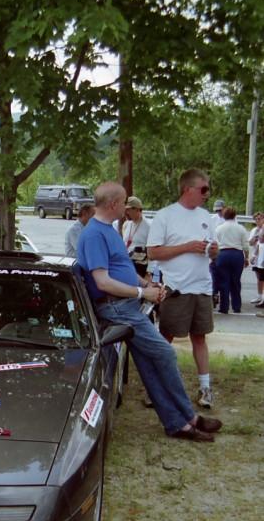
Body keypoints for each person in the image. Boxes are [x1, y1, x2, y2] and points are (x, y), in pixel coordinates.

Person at [77, 181, 222, 442]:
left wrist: (146, 283)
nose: (127, 208)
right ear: (113, 204)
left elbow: (122, 267)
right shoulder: (94, 235)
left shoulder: (109, 230)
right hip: (116, 308)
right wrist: (144, 294)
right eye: (124, 203)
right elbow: (102, 282)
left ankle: (176, 423)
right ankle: (189, 418)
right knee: (164, 354)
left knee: (148, 363)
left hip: (125, 304)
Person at [147, 168, 218, 409]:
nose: (206, 194)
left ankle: (205, 388)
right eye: (203, 188)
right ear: (188, 189)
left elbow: (212, 251)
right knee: (165, 339)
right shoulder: (165, 216)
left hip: (203, 288)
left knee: (200, 337)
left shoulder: (207, 217)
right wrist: (186, 247)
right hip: (176, 287)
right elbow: (153, 252)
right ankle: (157, 388)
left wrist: (213, 251)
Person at [214, 207, 249, 314]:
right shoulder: (241, 228)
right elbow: (245, 246)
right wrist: (246, 257)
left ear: (224, 216)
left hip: (223, 254)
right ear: (235, 215)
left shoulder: (219, 228)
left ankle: (224, 307)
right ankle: (236, 306)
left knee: (224, 281)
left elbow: (215, 244)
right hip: (237, 254)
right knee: (236, 281)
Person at [121, 196, 150, 278]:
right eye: (125, 210)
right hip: (127, 265)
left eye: (128, 210)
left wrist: (149, 272)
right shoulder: (126, 224)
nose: (125, 212)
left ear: (137, 209)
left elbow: (153, 252)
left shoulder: (148, 227)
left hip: (141, 268)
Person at [249, 212, 264, 307]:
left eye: (260, 218)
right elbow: (250, 243)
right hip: (257, 257)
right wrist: (255, 238)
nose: (258, 221)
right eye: (256, 219)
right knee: (259, 277)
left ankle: (263, 297)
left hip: (261, 256)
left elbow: (261, 243)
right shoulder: (254, 230)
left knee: (263, 277)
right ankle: (259, 296)